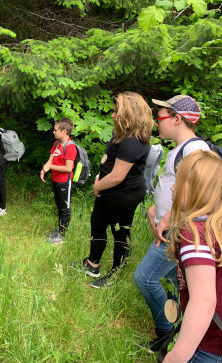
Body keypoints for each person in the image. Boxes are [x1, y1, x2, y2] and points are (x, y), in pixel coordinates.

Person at [134, 95, 209, 352]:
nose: (157, 121)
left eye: (161, 116)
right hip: (170, 229)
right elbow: (172, 185)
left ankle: (166, 332)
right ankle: (183, 331)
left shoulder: (194, 150)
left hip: (178, 232)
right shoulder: (180, 149)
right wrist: (156, 209)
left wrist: (168, 218)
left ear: (178, 119)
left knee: (145, 278)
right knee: (178, 283)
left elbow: (199, 195)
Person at [72, 91, 153, 288]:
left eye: (116, 112)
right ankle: (92, 264)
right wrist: (101, 174)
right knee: (97, 224)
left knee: (120, 234)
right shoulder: (122, 135)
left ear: (129, 114)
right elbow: (110, 161)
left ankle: (116, 275)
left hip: (123, 194)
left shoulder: (133, 141)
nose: (112, 115)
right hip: (110, 190)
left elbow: (117, 176)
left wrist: (97, 186)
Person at [162, 150, 222, 362]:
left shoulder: (195, 231)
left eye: (179, 181)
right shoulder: (220, 225)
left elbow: (204, 300)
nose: (172, 187)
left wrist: (178, 355)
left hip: (209, 347)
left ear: (198, 189)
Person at [40, 118, 77, 245]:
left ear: (64, 131)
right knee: (59, 206)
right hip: (55, 180)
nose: (53, 132)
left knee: (64, 208)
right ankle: (59, 231)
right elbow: (52, 158)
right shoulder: (56, 144)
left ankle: (62, 235)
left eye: (56, 130)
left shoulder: (70, 147)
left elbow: (68, 168)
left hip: (64, 182)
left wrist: (50, 167)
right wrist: (45, 168)